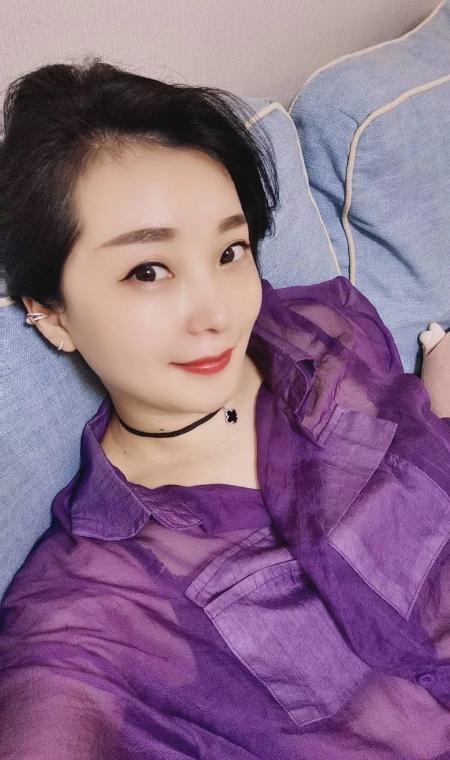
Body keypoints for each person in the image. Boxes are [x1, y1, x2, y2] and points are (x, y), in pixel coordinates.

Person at [1, 58, 449, 760]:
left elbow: (416, 449)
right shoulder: (95, 607)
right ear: (51, 313)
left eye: (231, 251)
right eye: (148, 270)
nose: (217, 313)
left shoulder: (320, 332)